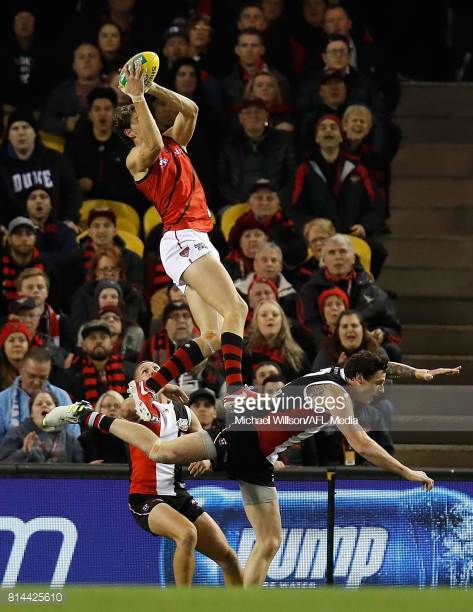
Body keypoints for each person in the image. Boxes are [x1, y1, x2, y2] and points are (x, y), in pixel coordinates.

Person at [44, 352, 461, 585]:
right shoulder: (338, 397)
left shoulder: (344, 371)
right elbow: (362, 445)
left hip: (258, 458)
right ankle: (88, 414)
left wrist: (419, 372)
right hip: (242, 436)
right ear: (355, 379)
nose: (382, 388)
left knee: (270, 540)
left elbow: (380, 366)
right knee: (157, 450)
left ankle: (244, 602)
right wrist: (408, 472)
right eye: (378, 382)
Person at [112, 59, 252, 408]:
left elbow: (190, 109)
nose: (147, 119)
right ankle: (237, 392)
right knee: (238, 307)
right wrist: (137, 98)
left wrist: (151, 88)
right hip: (182, 237)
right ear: (130, 131)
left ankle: (149, 386)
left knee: (212, 337)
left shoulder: (175, 141)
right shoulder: (136, 158)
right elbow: (154, 147)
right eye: (139, 117)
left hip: (193, 241)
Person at [0, 112, 82, 226]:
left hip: (55, 229)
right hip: (14, 232)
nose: (21, 132)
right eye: (15, 128)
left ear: (35, 133)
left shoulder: (55, 159)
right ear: (8, 136)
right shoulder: (2, 165)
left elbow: (72, 192)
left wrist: (69, 219)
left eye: (25, 127)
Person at [0, 346, 77, 442]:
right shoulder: (2, 400)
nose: (36, 382)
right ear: (21, 370)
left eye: (42, 377)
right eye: (32, 376)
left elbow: (74, 438)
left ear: (49, 373)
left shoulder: (62, 397)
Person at [0, 390, 84, 463]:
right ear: (31, 413)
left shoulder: (69, 439)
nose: (44, 405)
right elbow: (4, 465)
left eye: (49, 403)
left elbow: (81, 469)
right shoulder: (16, 433)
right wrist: (23, 452)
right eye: (39, 404)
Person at [243, 298, 309, 382]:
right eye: (264, 315)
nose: (270, 318)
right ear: (256, 322)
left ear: (282, 321)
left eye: (275, 315)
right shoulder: (245, 352)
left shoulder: (298, 355)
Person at [79, 390, 128, 463]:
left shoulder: (130, 436)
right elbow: (75, 464)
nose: (112, 409)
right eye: (107, 406)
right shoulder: (86, 438)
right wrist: (88, 468)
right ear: (99, 409)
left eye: (117, 406)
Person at [0, 320, 32, 389]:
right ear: (3, 348)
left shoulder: (38, 371)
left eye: (22, 340)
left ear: (28, 346)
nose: (17, 344)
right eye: (11, 340)